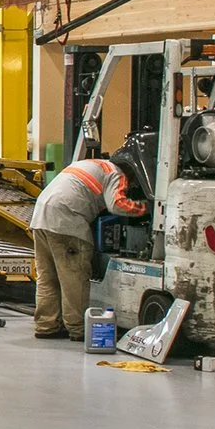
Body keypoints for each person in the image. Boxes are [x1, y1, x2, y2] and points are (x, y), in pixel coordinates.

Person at [26, 141, 150, 339]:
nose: (130, 186)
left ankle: (46, 326)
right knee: (74, 278)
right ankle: (79, 329)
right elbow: (117, 205)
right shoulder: (116, 173)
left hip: (41, 217)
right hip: (66, 222)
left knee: (47, 278)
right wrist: (146, 208)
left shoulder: (91, 163)